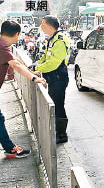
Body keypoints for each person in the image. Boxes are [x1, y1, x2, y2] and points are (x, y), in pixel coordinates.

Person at [0, 20, 47, 159]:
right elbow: (15, 64)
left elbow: (16, 61)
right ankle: (10, 149)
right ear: (16, 34)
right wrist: (33, 78)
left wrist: (31, 72)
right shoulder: (2, 47)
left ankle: (10, 148)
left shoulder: (3, 45)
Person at [35, 16, 71, 144]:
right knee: (55, 104)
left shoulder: (60, 40)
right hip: (53, 77)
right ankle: (56, 131)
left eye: (42, 24)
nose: (41, 26)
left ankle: (62, 135)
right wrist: (35, 66)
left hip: (58, 78)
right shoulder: (52, 39)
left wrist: (38, 68)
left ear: (50, 26)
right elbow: (45, 57)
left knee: (58, 105)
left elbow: (53, 63)